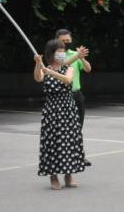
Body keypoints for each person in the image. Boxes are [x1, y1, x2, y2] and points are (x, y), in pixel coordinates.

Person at [34, 39, 86, 190]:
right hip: (51, 111)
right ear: (51, 53)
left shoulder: (68, 68)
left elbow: (68, 80)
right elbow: (38, 78)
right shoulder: (46, 68)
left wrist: (51, 72)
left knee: (68, 142)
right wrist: (38, 63)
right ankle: (53, 176)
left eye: (63, 51)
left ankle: (68, 175)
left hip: (67, 110)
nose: (62, 54)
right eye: (59, 51)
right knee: (53, 143)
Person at [57, 29, 92, 167]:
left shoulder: (74, 54)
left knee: (78, 127)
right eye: (63, 41)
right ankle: (62, 156)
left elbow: (88, 69)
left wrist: (81, 57)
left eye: (68, 40)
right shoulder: (56, 54)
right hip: (63, 96)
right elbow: (62, 65)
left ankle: (79, 156)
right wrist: (77, 56)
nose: (66, 43)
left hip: (77, 94)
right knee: (63, 128)